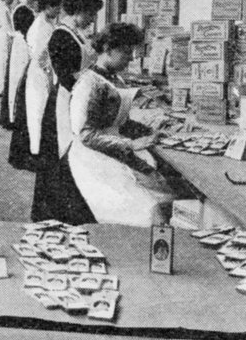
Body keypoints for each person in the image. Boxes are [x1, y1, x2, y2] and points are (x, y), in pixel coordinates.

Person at [66, 23, 173, 226]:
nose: (131, 57)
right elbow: (87, 136)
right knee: (150, 212)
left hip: (113, 150)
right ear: (107, 49)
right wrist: (132, 144)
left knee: (165, 194)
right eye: (126, 52)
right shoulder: (89, 84)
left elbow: (118, 122)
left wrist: (153, 131)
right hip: (92, 160)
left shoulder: (113, 79)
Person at [31, 0, 103, 224]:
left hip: (75, 96)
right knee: (60, 154)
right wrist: (91, 89)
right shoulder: (61, 35)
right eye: (90, 14)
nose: (92, 19)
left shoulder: (76, 33)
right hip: (64, 101)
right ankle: (53, 212)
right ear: (79, 11)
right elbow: (65, 75)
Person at [10, 0, 62, 172]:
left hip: (42, 71)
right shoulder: (41, 25)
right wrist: (49, 77)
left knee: (38, 112)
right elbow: (41, 56)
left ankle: (37, 150)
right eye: (57, 7)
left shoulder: (47, 22)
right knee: (37, 112)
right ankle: (35, 153)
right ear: (49, 7)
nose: (59, 10)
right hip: (39, 74)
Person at [2, 0, 39, 133]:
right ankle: (15, 116)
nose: (36, 0)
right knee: (18, 79)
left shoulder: (24, 8)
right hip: (23, 46)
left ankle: (16, 115)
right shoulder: (23, 10)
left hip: (21, 44)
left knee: (17, 79)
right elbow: (26, 31)